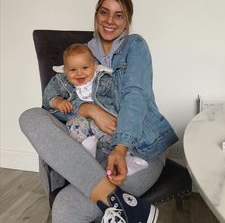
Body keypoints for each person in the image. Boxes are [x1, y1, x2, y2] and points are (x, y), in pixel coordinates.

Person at [20, 0, 178, 223]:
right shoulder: (80, 56)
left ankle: (117, 203)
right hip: (91, 151)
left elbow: (135, 97)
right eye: (104, 12)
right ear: (96, 15)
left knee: (66, 208)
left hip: (138, 148)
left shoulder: (134, 46)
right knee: (30, 116)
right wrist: (87, 109)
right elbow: (54, 106)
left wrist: (121, 147)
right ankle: (128, 207)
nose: (109, 21)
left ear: (127, 21)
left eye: (119, 15)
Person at [43, 43, 149, 175]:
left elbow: (119, 98)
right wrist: (57, 101)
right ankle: (86, 152)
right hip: (82, 124)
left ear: (94, 66)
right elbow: (48, 96)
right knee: (74, 123)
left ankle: (128, 160)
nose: (79, 73)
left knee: (118, 132)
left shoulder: (104, 79)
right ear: (65, 70)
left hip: (104, 125)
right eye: (72, 70)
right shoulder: (60, 81)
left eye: (85, 68)